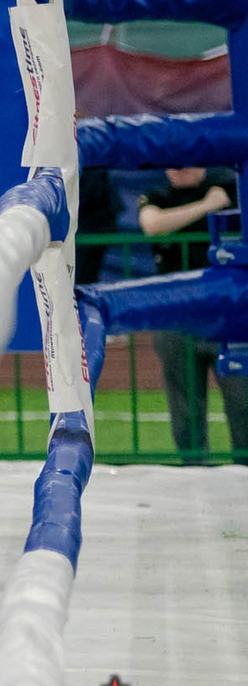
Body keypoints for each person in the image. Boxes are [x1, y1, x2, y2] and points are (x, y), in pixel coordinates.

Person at [136, 164, 248, 463]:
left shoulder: (230, 183)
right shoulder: (158, 194)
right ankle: (194, 471)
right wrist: (207, 206)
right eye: (172, 161)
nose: (180, 168)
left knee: (243, 401)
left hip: (228, 316)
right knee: (184, 408)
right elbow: (152, 224)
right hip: (176, 317)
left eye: (188, 159)